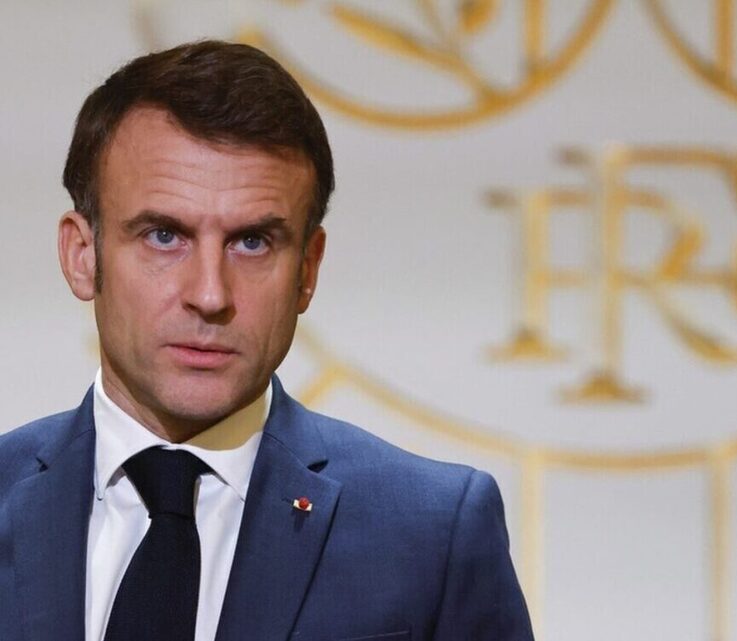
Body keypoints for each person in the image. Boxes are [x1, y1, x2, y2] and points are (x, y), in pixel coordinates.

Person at [0, 40, 534, 641]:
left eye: (252, 242)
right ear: (82, 255)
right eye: (164, 236)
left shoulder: (432, 535)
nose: (210, 294)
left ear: (307, 268)